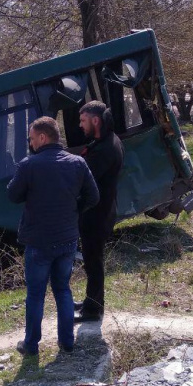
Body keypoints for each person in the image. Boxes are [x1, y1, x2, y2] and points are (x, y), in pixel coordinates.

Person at [7, 117, 100, 355]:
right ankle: (67, 342)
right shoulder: (77, 162)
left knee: (35, 294)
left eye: (31, 138)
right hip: (68, 238)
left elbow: (13, 196)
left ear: (42, 137)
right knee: (63, 289)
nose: (30, 143)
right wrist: (74, 210)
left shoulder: (29, 165)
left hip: (39, 241)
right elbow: (93, 197)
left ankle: (31, 345)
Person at [75, 101, 125, 323]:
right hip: (100, 211)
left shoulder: (105, 148)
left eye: (83, 120)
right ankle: (91, 302)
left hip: (97, 214)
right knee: (92, 261)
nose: (80, 125)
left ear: (95, 120)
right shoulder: (105, 141)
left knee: (93, 262)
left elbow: (84, 181)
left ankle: (93, 311)